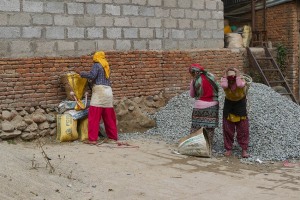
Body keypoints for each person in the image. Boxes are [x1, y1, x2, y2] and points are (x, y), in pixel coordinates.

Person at [80, 51, 118, 144]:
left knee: (94, 116)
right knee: (109, 116)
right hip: (108, 91)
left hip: (100, 91)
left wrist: (82, 73)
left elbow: (92, 76)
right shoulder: (106, 65)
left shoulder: (97, 64)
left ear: (96, 57)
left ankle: (93, 139)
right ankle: (113, 137)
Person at [189, 64, 219, 155]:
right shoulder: (212, 76)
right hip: (213, 105)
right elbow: (218, 89)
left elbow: (192, 95)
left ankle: (194, 146)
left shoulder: (194, 81)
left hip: (199, 106)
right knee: (209, 128)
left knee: (196, 127)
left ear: (193, 72)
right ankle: (207, 147)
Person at [220, 67, 249, 158]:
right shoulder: (225, 81)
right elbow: (224, 86)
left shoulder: (241, 80)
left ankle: (244, 149)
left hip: (240, 105)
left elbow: (240, 85)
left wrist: (237, 74)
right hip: (229, 105)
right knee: (228, 128)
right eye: (229, 78)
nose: (231, 79)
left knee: (243, 129)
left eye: (233, 77)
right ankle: (228, 149)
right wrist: (225, 73)